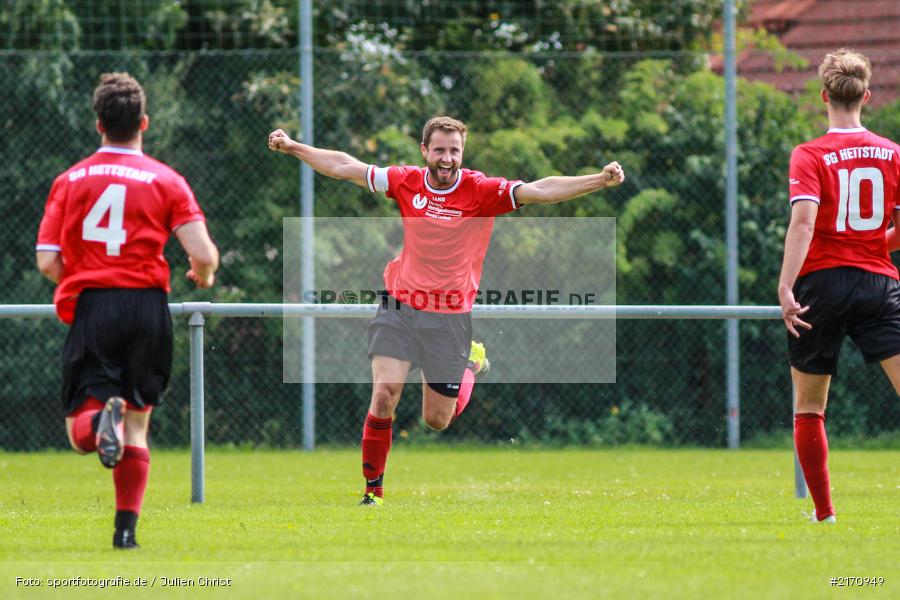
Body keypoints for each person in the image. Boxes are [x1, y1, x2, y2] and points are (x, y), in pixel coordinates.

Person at [269, 116, 624, 505]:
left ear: (462, 153)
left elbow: (540, 189)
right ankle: (373, 492)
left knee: (436, 420)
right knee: (385, 393)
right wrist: (294, 147)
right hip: (400, 306)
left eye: (454, 151)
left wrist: (598, 179)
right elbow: (344, 166)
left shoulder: (480, 190)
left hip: (450, 316)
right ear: (425, 151)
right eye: (439, 149)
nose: (447, 158)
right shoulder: (406, 181)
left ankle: (470, 363)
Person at [36, 72, 219, 547]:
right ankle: (125, 535)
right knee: (138, 421)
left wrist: (77, 278)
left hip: (96, 305)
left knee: (83, 431)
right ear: (144, 122)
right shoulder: (167, 180)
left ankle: (100, 423)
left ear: (99, 124)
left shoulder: (69, 180)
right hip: (147, 307)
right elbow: (202, 253)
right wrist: (205, 275)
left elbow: (47, 260)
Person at [778, 49, 900, 524]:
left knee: (810, 406)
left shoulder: (810, 154)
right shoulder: (892, 153)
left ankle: (825, 515)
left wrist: (786, 287)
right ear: (866, 96)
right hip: (878, 283)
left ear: (824, 95)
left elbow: (803, 224)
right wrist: (869, 246)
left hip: (821, 286)